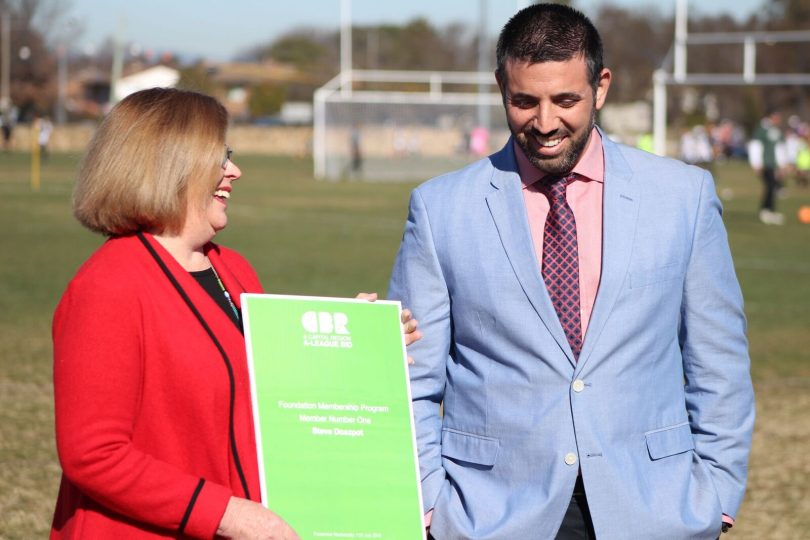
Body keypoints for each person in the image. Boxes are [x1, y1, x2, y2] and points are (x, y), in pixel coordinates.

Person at [388, 4, 754, 539]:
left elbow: (718, 362)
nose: (544, 122)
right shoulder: (441, 208)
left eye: (565, 100)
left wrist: (716, 495)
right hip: (491, 515)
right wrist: (429, 504)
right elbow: (411, 378)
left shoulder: (683, 196)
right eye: (523, 101)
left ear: (600, 87)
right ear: (500, 88)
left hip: (653, 509)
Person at [51, 88, 420, 539]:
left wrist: (358, 350)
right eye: (219, 158)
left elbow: (261, 393)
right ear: (170, 165)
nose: (235, 171)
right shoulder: (108, 287)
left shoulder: (233, 268)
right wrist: (228, 514)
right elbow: (94, 454)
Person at [748, 110, 786, 225]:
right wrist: (756, 163)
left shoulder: (776, 130)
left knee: (773, 186)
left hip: (773, 164)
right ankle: (765, 211)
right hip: (765, 164)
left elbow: (779, 148)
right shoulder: (762, 129)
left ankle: (770, 210)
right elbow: (755, 146)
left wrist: (782, 165)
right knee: (770, 185)